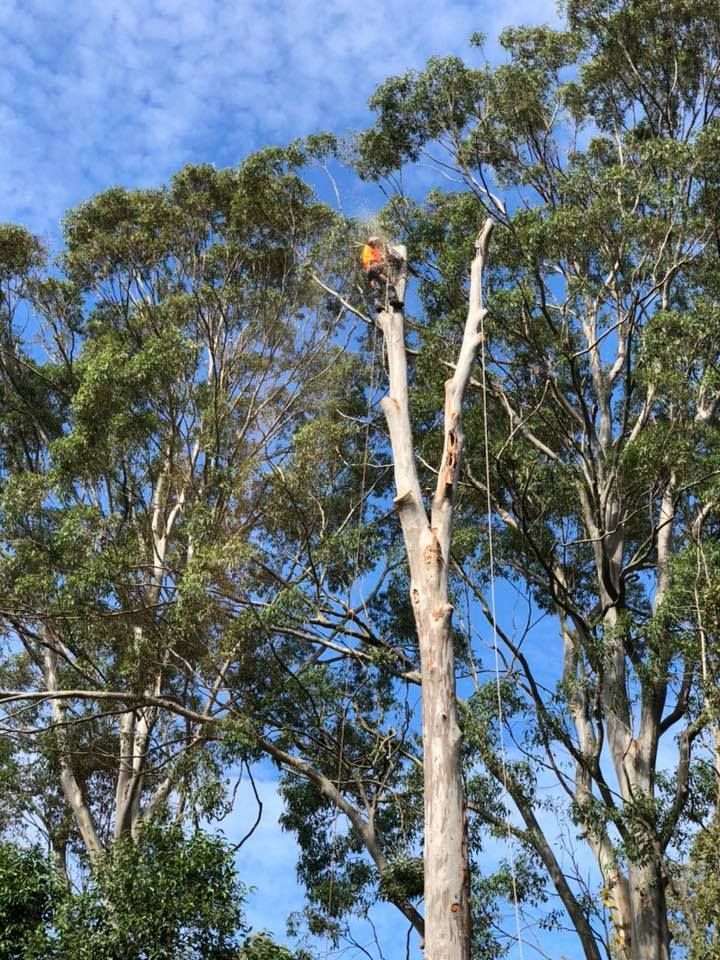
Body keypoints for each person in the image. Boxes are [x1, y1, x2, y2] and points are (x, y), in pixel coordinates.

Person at [360, 236, 403, 309]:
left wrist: (387, 260)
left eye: (376, 241)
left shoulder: (376, 250)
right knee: (388, 282)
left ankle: (378, 304)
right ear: (370, 242)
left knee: (377, 288)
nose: (376, 243)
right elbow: (374, 263)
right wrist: (386, 263)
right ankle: (393, 300)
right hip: (373, 268)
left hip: (370, 271)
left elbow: (381, 260)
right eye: (374, 241)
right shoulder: (367, 248)